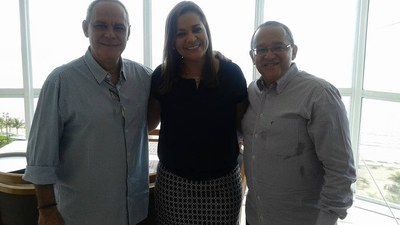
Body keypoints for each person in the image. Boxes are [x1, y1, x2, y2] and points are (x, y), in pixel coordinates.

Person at [22, 0, 152, 224]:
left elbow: (179, 82)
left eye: (119, 27)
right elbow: (40, 159)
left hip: (135, 214)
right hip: (81, 216)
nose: (110, 34)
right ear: (85, 28)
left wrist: (213, 58)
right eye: (101, 25)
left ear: (129, 32)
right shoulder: (60, 82)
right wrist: (46, 210)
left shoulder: (144, 78)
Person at [241, 21, 357, 225]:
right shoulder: (251, 93)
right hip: (255, 218)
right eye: (261, 49)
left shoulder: (319, 94)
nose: (269, 55)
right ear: (252, 56)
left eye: (278, 47)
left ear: (293, 51)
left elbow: (341, 170)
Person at [147, 1, 248, 224]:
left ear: (206, 30)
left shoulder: (231, 73)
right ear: (172, 41)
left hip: (223, 185)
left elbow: (243, 127)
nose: (191, 38)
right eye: (180, 33)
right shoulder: (162, 76)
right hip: (175, 185)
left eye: (196, 29)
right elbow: (149, 122)